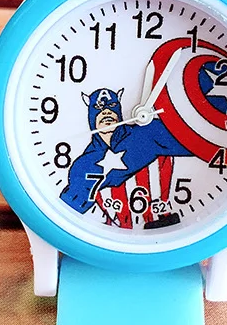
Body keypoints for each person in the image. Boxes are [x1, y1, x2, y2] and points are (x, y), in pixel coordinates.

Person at [59, 87, 192, 229]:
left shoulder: (148, 133)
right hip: (108, 230)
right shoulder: (84, 165)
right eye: (98, 108)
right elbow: (67, 214)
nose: (106, 112)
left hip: (166, 220)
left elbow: (198, 142)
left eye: (111, 106)